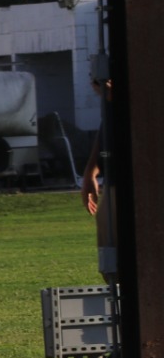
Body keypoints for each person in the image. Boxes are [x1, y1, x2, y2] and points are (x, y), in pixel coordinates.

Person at [80, 59, 116, 287]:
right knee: (109, 260)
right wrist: (90, 173)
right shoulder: (108, 107)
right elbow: (105, 134)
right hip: (112, 186)